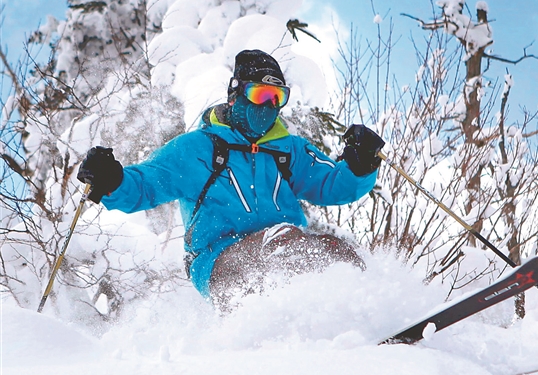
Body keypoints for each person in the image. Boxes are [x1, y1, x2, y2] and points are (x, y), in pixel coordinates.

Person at [77, 49, 384, 309]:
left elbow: (333, 185)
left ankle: (360, 317)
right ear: (236, 94)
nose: (268, 105)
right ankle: (284, 329)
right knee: (281, 243)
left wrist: (360, 165)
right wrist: (112, 180)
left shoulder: (289, 150)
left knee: (339, 251)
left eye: (277, 97)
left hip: (284, 247)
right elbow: (145, 186)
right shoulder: (198, 148)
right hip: (218, 260)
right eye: (260, 93)